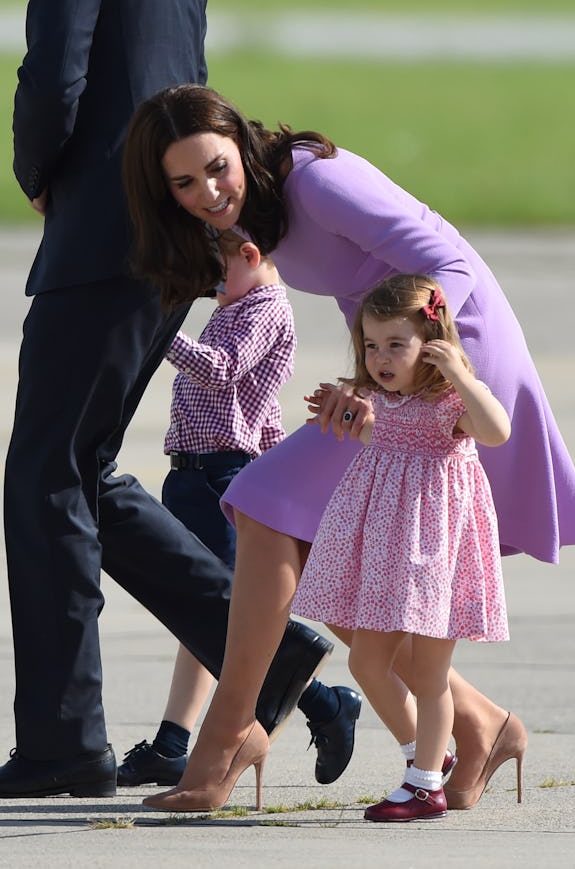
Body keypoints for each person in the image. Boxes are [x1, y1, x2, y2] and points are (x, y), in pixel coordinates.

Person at [0, 0, 334, 801]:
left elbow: (55, 73)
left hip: (104, 236)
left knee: (43, 478)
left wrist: (40, 176)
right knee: (84, 473)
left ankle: (63, 741)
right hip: (169, 241)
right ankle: (276, 656)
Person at [121, 83, 575, 813]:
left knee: (262, 500)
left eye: (217, 167)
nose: (207, 192)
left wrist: (403, 377)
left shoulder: (316, 180)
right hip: (388, 367)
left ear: (240, 144)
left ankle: (230, 733)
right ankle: (478, 724)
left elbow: (453, 270)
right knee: (299, 532)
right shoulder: (255, 210)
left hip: (451, 360)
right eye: (183, 183)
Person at [117, 231, 361, 789]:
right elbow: (255, 402)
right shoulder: (233, 302)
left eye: (214, 273)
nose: (208, 287)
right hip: (193, 472)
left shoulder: (266, 308)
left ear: (250, 256)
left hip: (221, 473)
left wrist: (160, 328)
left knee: (225, 610)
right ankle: (173, 743)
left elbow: (222, 369)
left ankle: (324, 703)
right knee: (198, 606)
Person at [293, 274, 517, 823]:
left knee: (430, 668)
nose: (381, 357)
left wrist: (461, 375)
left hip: (437, 549)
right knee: (367, 660)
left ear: (432, 343)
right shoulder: (383, 401)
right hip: (386, 547)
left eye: (397, 344)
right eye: (372, 345)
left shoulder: (449, 403)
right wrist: (348, 418)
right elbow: (386, 442)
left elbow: (497, 432)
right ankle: (428, 757)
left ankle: (424, 787)